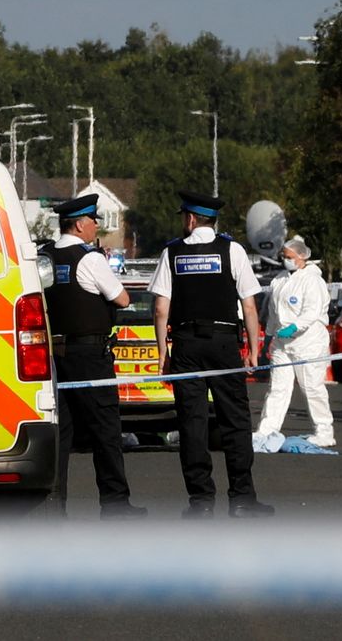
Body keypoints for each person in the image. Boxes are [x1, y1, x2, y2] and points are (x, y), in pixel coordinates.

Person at [151, 190, 275, 519]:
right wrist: (253, 350)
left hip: (187, 346)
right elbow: (249, 304)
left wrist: (164, 352)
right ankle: (242, 499)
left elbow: (161, 309)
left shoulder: (172, 253)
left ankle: (201, 501)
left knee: (192, 425)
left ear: (191, 219)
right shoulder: (232, 250)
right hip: (223, 344)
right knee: (234, 422)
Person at [44, 194, 146, 520]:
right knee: (105, 429)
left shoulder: (43, 256)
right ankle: (115, 504)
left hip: (54, 355)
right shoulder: (89, 259)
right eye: (93, 220)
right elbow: (123, 299)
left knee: (61, 434)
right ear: (79, 224)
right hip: (89, 354)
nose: (97, 226)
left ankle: (54, 507)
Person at [255, 236, 334, 447]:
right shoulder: (279, 280)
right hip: (282, 343)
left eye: (289, 256)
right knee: (278, 387)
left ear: (301, 257)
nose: (285, 260)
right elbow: (272, 314)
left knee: (312, 387)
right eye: (283, 256)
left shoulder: (313, 281)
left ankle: (324, 431)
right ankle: (267, 429)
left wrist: (294, 327)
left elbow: (311, 312)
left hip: (308, 342)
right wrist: (268, 339)